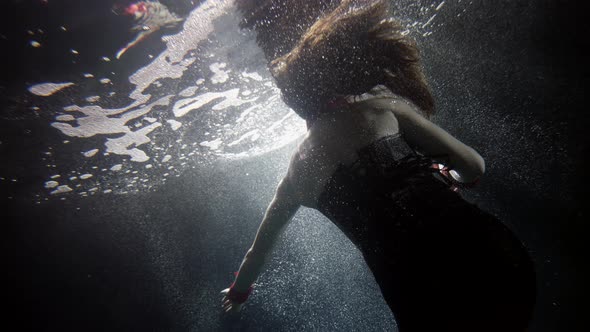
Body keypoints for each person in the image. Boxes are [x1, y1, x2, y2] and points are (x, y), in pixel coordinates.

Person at [221, 1, 536, 331]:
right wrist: (450, 177)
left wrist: (239, 292)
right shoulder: (379, 108)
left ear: (297, 105)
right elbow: (474, 165)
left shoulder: (293, 179)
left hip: (421, 299)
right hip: (492, 258)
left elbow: (255, 254)